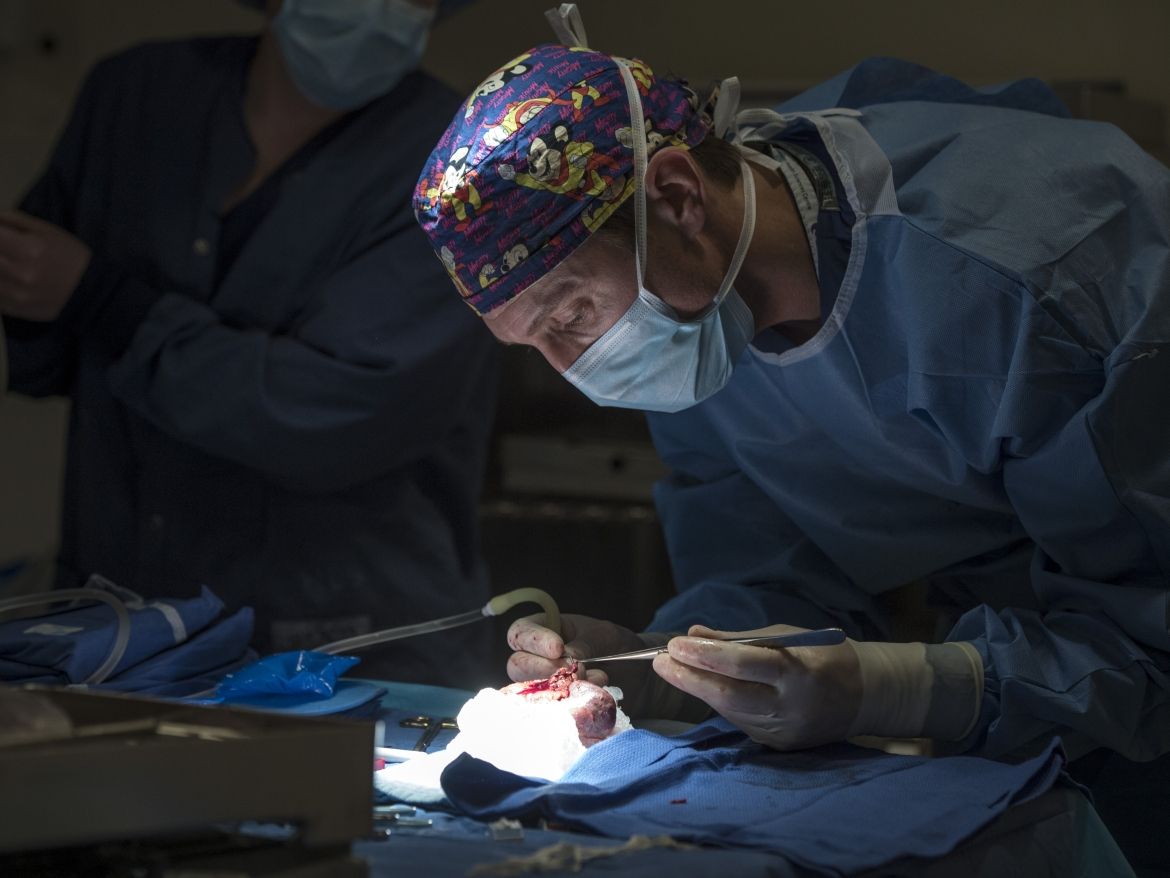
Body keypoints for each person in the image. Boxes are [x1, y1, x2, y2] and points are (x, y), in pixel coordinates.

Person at [413, 13, 1170, 870]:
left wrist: (897, 687)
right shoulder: (700, 315)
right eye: (533, 344)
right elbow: (766, 562)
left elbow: (1152, 636)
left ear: (678, 198)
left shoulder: (1031, 276)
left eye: (573, 316)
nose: (573, 367)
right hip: (1036, 697)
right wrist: (662, 663)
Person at [0, 0, 500, 686]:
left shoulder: (458, 164)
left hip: (351, 640)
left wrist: (104, 301)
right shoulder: (137, 96)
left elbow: (331, 418)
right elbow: (44, 349)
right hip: (119, 629)